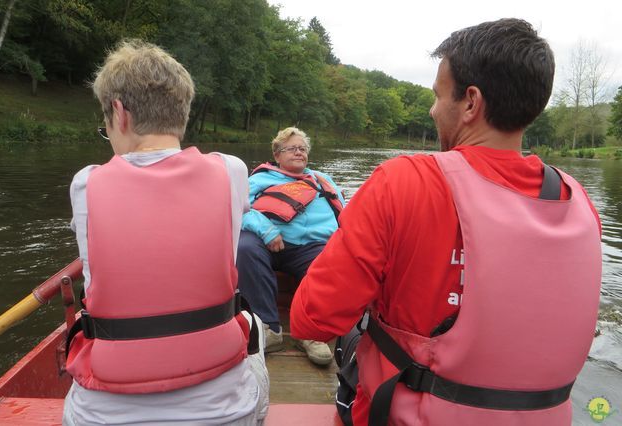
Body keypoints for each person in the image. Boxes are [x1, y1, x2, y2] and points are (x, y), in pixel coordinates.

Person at [290, 18, 602, 426]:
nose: (432, 108)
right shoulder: (581, 205)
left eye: (438, 95)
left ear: (471, 103)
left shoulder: (402, 182)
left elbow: (310, 318)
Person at [63, 40, 269, 425]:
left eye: (105, 125)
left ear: (119, 113)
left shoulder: (84, 185)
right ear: (182, 111)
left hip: (103, 417)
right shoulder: (232, 171)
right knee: (254, 325)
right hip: (223, 415)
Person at [237, 127, 346, 366]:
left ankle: (310, 333)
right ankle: (267, 326)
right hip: (267, 242)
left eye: (302, 149)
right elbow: (238, 209)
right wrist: (266, 230)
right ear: (277, 155)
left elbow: (346, 213)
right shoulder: (259, 179)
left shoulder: (322, 180)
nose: (299, 152)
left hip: (311, 246)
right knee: (244, 247)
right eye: (291, 148)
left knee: (330, 259)